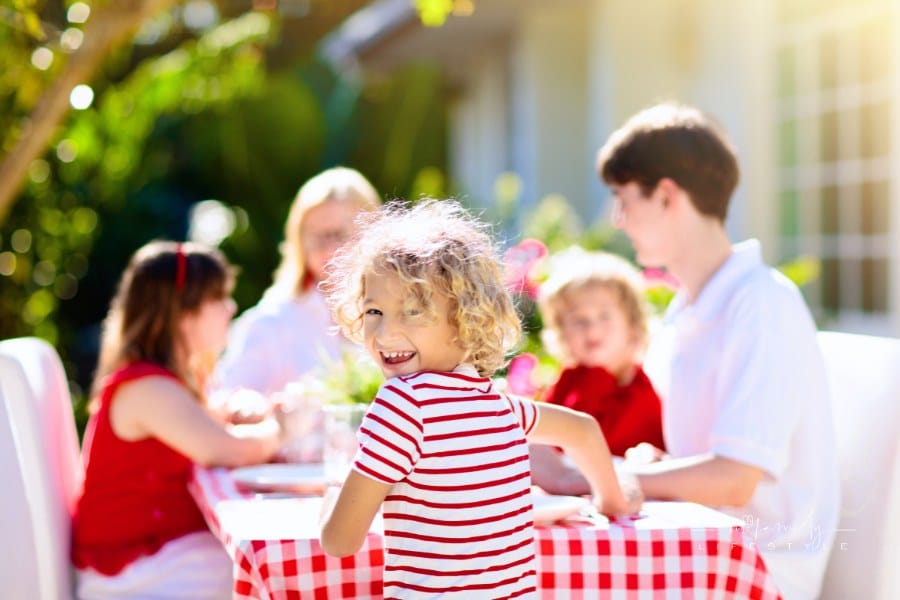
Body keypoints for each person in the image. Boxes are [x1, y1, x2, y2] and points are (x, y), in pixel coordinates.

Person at [318, 199, 641, 599]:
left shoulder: (402, 404)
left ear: (465, 316)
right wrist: (612, 500)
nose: (383, 334)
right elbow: (583, 430)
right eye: (373, 311)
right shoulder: (498, 405)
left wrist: (333, 496)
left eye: (413, 311)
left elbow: (340, 541)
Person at [595, 102, 839, 600]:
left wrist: (601, 476)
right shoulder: (688, 308)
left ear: (666, 195)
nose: (618, 220)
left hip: (758, 570)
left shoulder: (761, 303)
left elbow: (733, 479)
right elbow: (688, 460)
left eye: (623, 199)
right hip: (696, 544)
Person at [71, 240, 283, 599]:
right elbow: (229, 451)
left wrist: (239, 411)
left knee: (258, 564)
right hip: (132, 571)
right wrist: (280, 428)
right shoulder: (146, 387)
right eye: (219, 298)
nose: (231, 308)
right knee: (261, 573)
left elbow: (210, 421)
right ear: (183, 313)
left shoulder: (164, 380)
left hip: (159, 553)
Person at [212, 166, 380, 397]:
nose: (330, 249)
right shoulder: (272, 322)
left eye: (340, 234)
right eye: (317, 237)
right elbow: (228, 396)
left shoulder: (405, 311)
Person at [528, 247, 665, 496]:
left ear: (632, 324)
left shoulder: (639, 391)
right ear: (562, 332)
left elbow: (597, 442)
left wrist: (598, 377)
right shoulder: (570, 379)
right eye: (579, 321)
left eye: (604, 317)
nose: (592, 329)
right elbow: (547, 439)